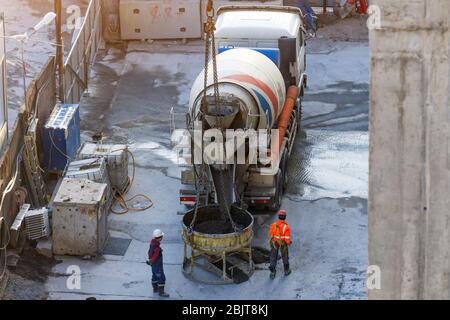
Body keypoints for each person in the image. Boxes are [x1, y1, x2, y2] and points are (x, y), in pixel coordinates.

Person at [269, 210, 292, 279]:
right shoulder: (286, 227)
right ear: (285, 217)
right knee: (285, 256)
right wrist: (289, 242)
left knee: (273, 256)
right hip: (283, 243)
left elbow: (271, 234)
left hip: (274, 242)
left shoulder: (273, 225)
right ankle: (286, 270)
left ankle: (272, 272)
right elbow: (287, 238)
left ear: (278, 216)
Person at [147, 229, 170, 297]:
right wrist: (151, 261)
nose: (162, 237)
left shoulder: (152, 244)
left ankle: (155, 289)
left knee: (154, 276)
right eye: (162, 236)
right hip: (157, 266)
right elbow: (155, 256)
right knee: (161, 278)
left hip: (153, 266)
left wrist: (150, 260)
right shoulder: (157, 248)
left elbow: (149, 252)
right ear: (159, 238)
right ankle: (161, 292)